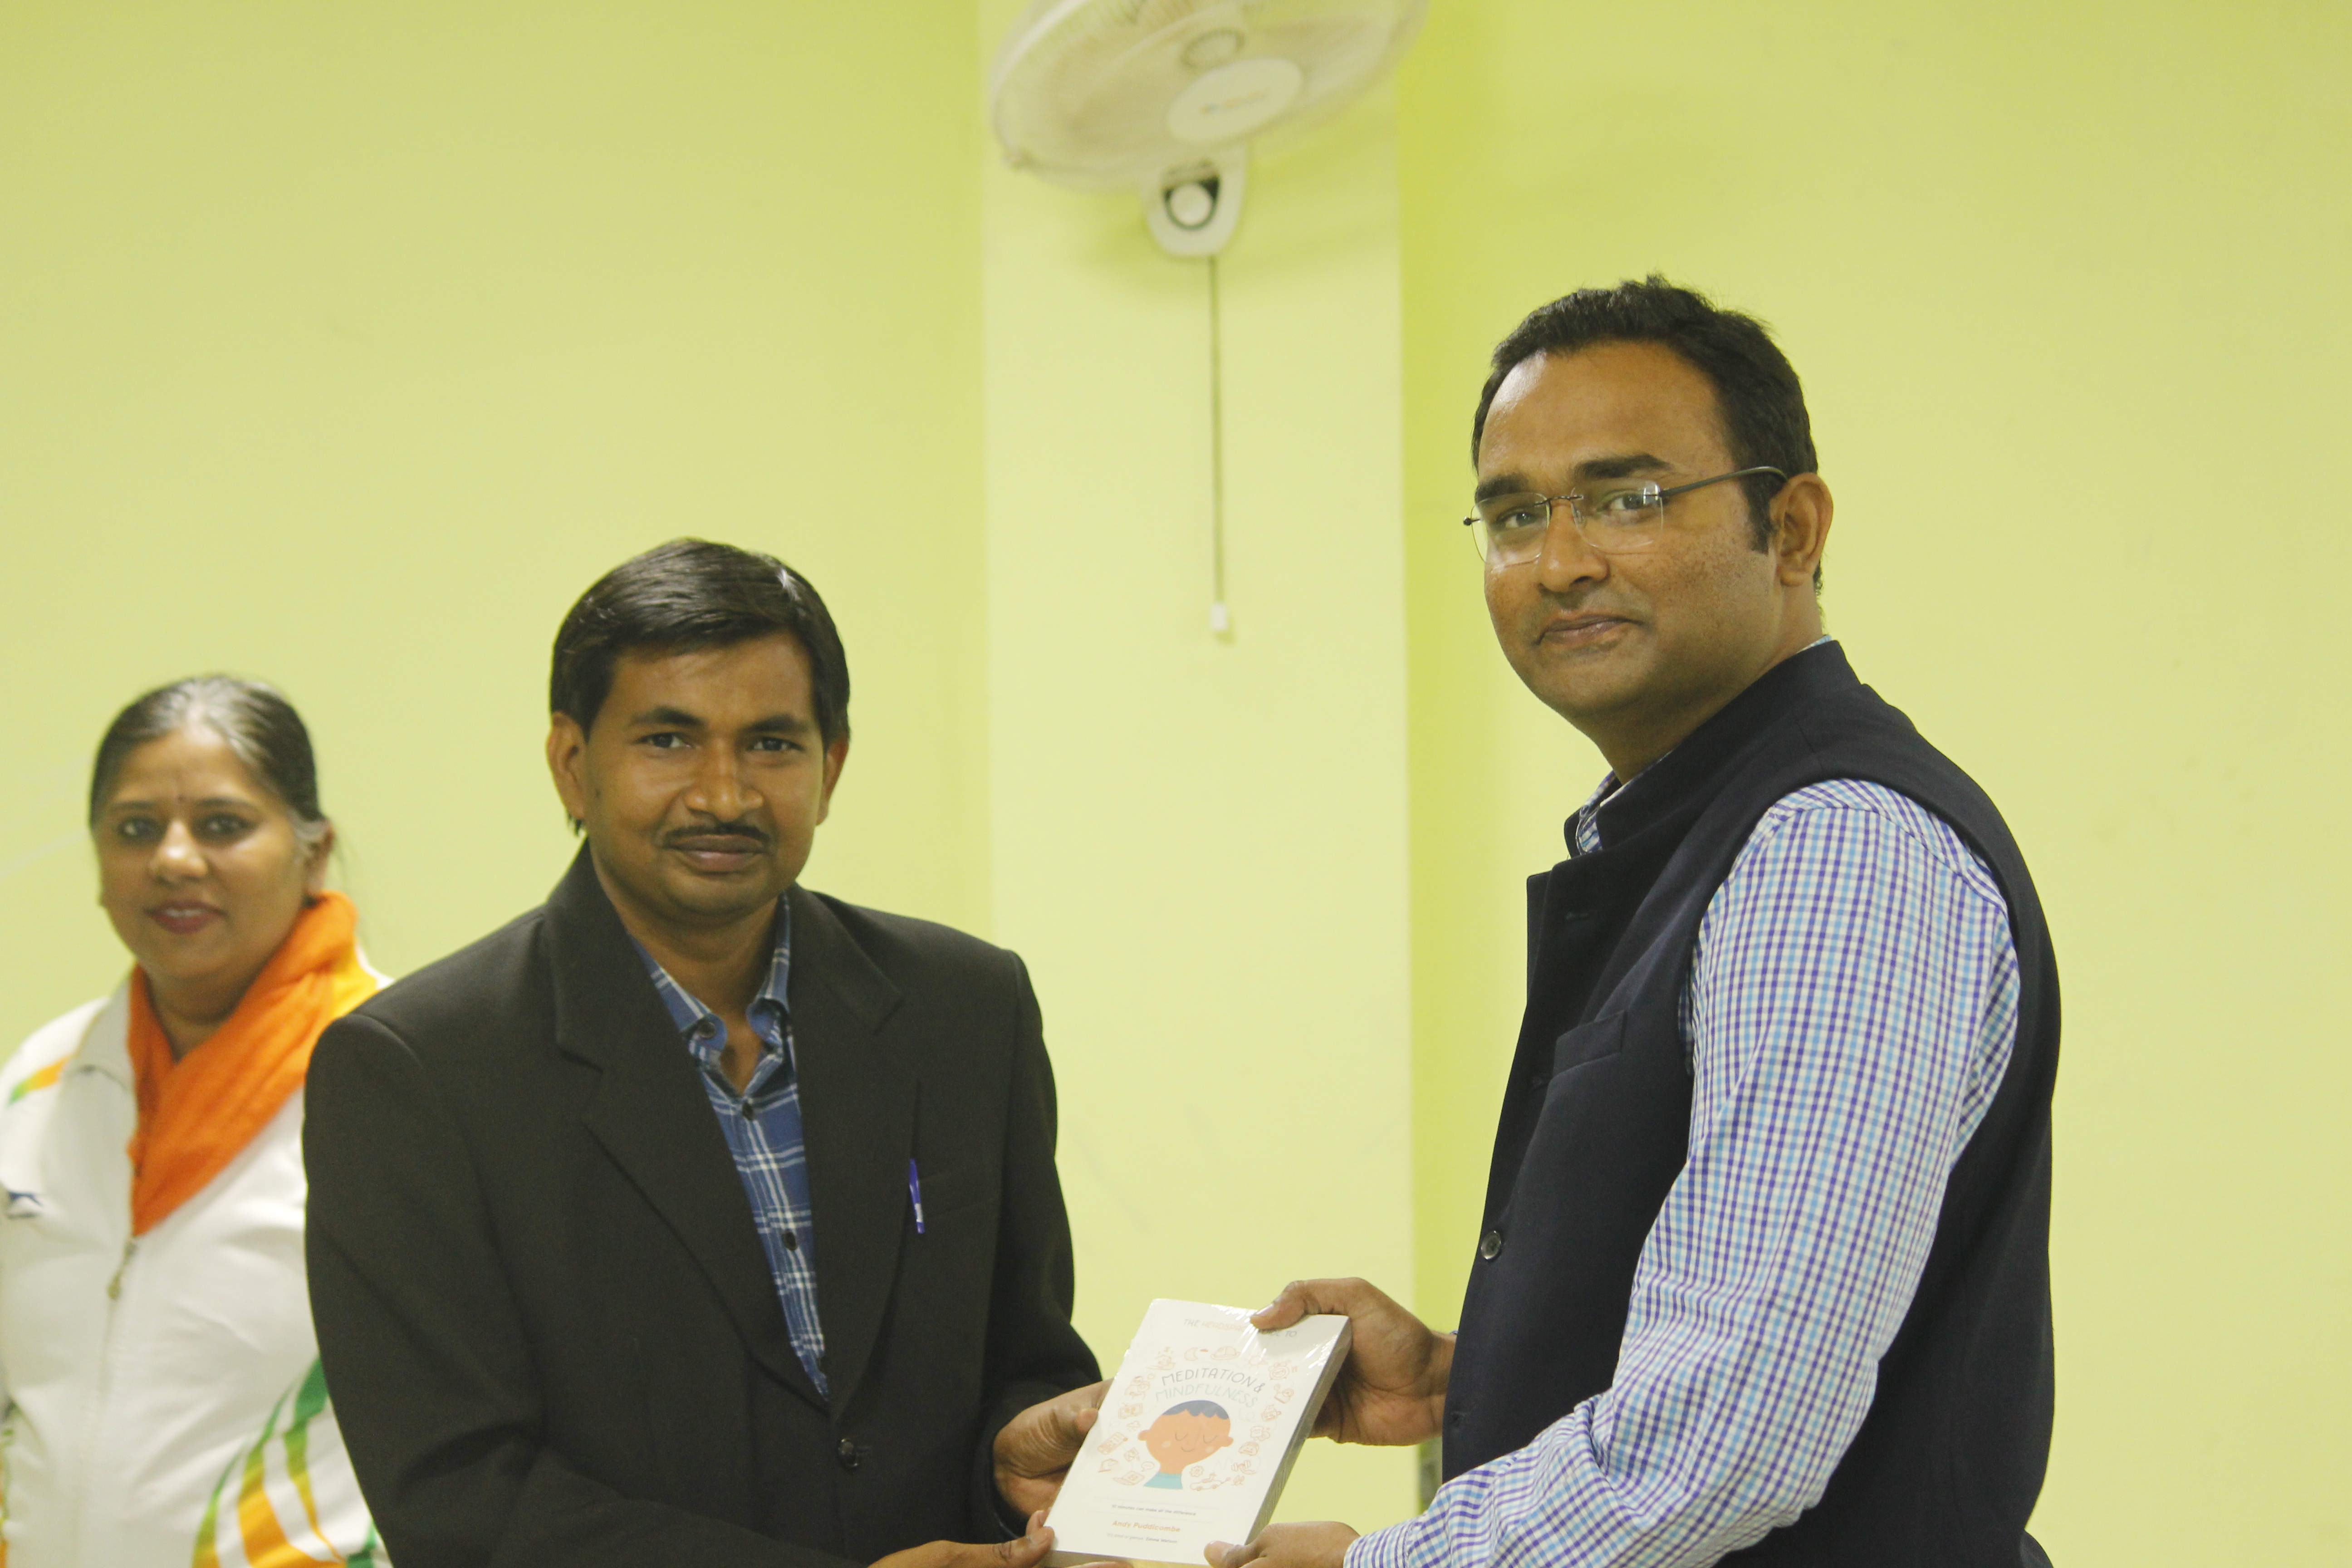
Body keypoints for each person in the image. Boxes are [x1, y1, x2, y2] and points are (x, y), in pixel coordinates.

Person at [1219, 279, 2058, 1568]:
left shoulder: (1832, 849)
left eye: (1629, 498)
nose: (1560, 562)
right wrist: (1476, 1368)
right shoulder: (1693, 832)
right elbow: (1752, 1330)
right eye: (1515, 515)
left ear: (1792, 529)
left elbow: (1732, 1442)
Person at [304, 539, 1107, 1568]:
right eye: (669, 740)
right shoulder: (418, 1070)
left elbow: (1028, 1357)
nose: (724, 794)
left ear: (831, 768)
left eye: (771, 743)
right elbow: (459, 1499)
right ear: (572, 764)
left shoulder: (965, 1010)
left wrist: (1013, 1460)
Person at [0, 676, 386, 1566]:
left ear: (315, 853)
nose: (174, 860)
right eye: (136, 829)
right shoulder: (39, 1082)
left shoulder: (404, 1082)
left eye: (222, 824)